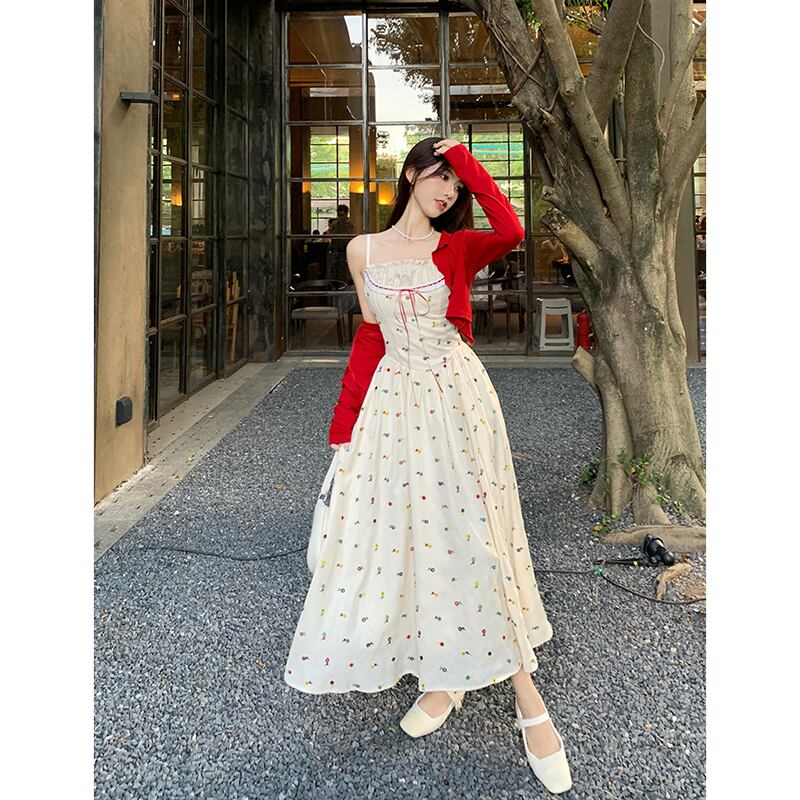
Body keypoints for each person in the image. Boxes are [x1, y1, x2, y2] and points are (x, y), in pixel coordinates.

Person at [283, 138, 572, 794]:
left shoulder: (458, 245)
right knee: (415, 537)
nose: (447, 193)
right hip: (392, 405)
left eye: (455, 186)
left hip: (457, 398)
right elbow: (371, 337)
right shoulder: (362, 250)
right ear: (411, 173)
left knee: (475, 538)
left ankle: (528, 702)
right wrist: (343, 426)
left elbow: (512, 229)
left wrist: (467, 162)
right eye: (440, 177)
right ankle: (446, 677)